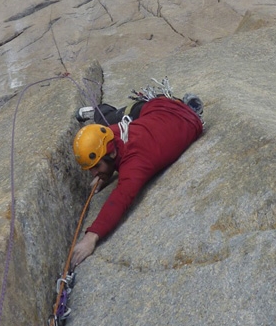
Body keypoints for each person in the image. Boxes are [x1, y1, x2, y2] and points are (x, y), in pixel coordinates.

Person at [71, 81, 204, 267]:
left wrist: (91, 237)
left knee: (109, 118)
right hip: (160, 108)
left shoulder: (136, 163)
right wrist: (106, 173)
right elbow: (113, 145)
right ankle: (185, 105)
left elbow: (121, 199)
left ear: (111, 154)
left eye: (96, 166)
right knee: (112, 121)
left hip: (168, 111)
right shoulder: (113, 136)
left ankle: (96, 111)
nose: (93, 173)